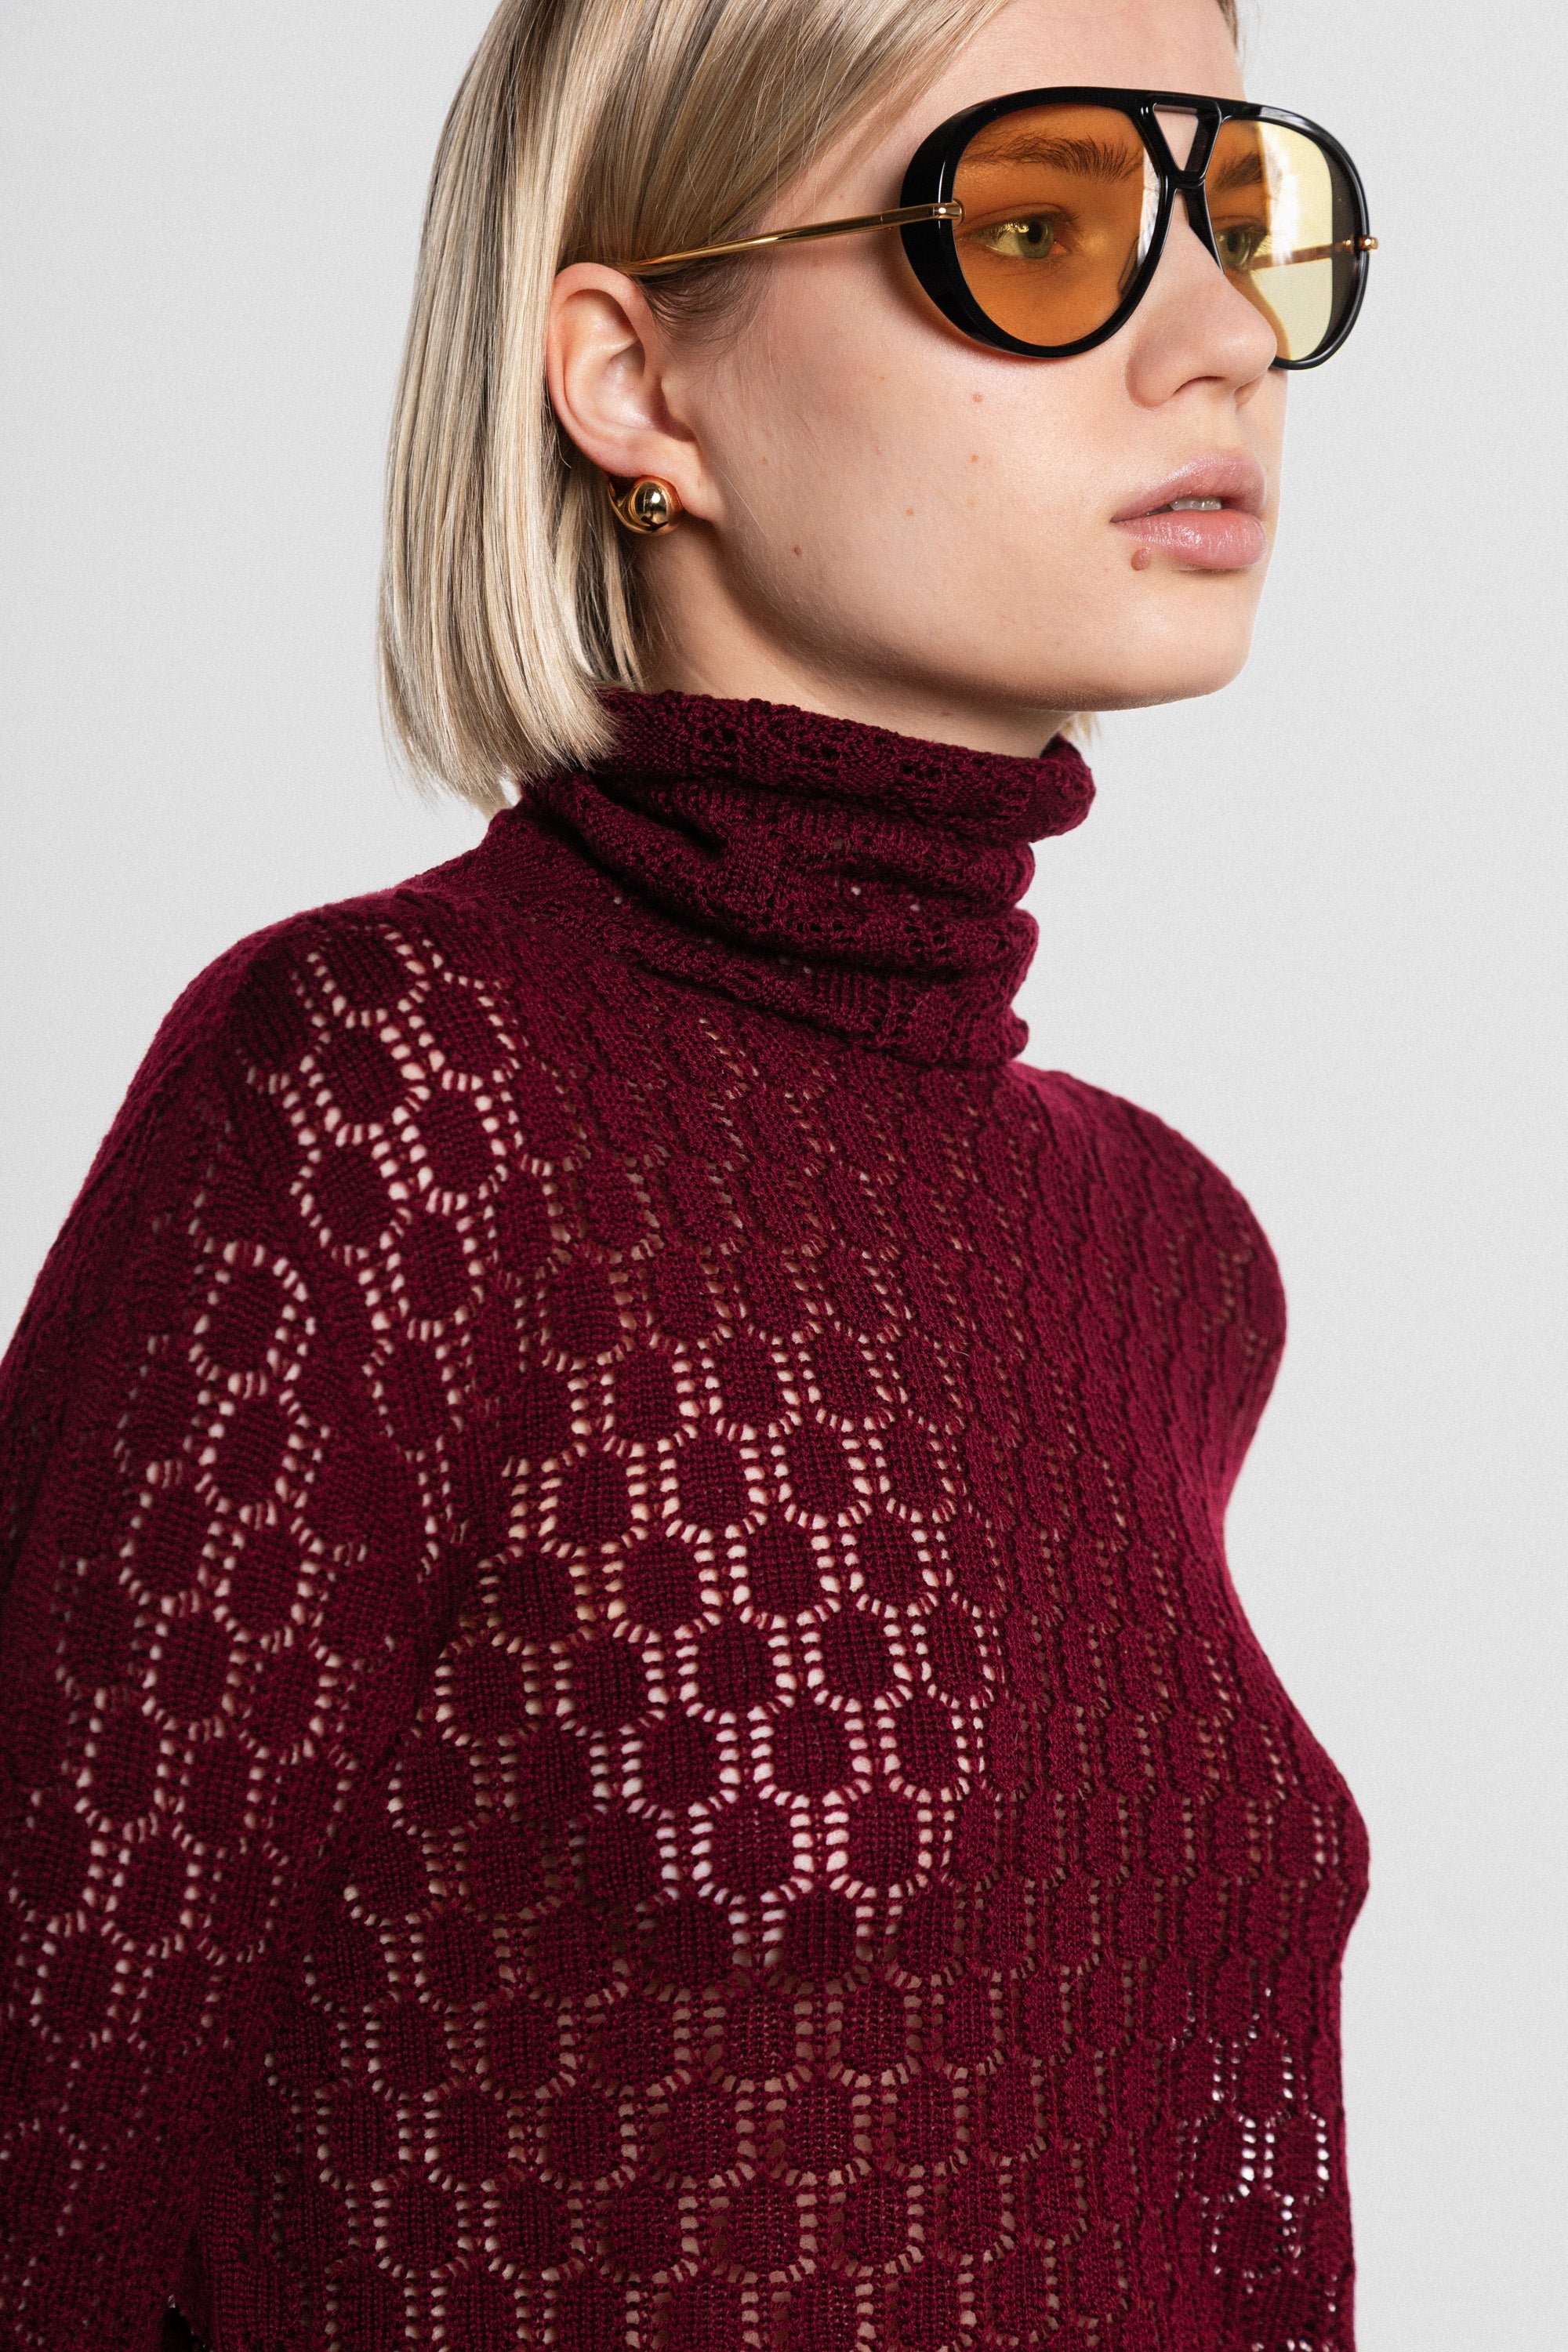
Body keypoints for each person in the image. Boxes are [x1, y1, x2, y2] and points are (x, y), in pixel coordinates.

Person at [0, 0, 1375, 2343]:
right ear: (636, 383)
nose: (1227, 340)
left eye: (1244, 219)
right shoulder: (393, 1094)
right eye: (1040, 232)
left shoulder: (1166, 1249)